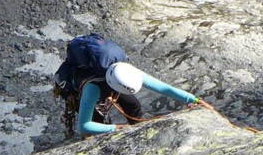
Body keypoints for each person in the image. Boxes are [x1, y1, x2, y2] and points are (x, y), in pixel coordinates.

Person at [52, 33, 199, 136]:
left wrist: (192, 99)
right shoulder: (92, 89)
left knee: (133, 105)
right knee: (97, 120)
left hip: (111, 82)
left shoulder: (125, 71)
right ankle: (89, 145)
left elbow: (163, 87)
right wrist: (117, 128)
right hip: (81, 90)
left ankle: (138, 129)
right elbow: (85, 125)